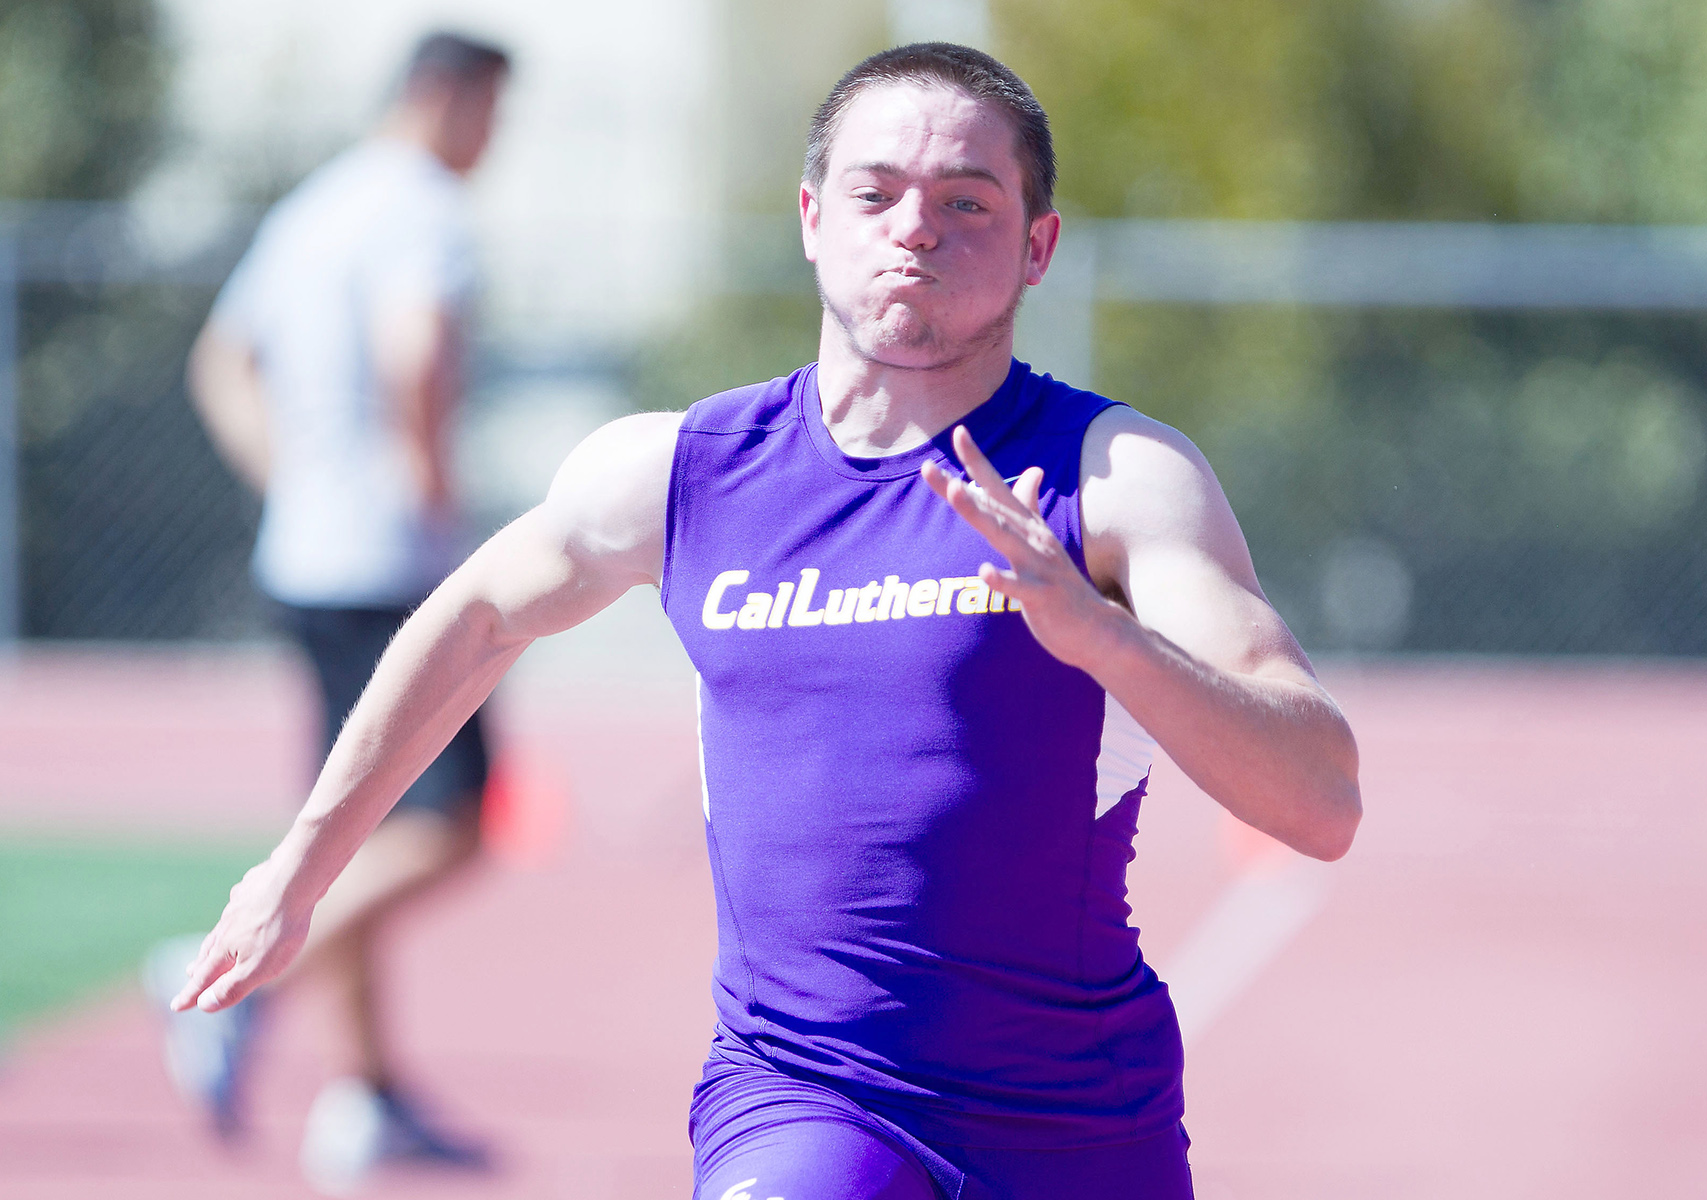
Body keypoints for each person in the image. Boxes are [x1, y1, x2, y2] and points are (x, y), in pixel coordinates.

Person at [171, 42, 1361, 1200]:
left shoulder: (1117, 479)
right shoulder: (682, 471)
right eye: (877, 192)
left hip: (1077, 1121)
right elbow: (476, 614)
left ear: (1038, 245)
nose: (915, 227)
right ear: (810, 217)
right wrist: (299, 868)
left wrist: (1105, 639)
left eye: (968, 200)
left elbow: (1320, 801)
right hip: (802, 1098)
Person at [144, 30, 509, 1192]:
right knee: (451, 824)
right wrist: (436, 505)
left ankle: (366, 1098)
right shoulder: (423, 210)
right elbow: (417, 352)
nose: (491, 143)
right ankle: (222, 970)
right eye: (490, 114)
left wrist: (289, 483)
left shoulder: (313, 207)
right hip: (390, 562)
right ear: (446, 98)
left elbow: (221, 360)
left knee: (358, 816)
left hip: (305, 555)